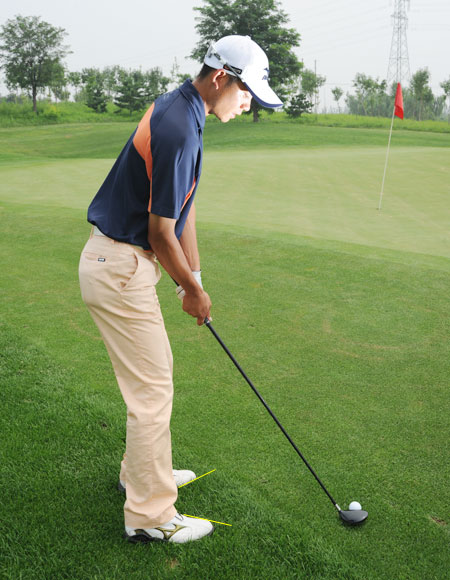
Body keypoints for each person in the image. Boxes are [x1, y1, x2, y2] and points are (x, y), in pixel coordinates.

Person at [78, 35, 282, 544]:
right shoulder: (179, 128)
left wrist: (196, 274)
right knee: (151, 390)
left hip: (118, 264)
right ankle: (149, 517)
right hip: (120, 267)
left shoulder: (183, 108)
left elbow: (182, 208)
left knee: (155, 378)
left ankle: (142, 473)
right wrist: (191, 291)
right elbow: (159, 232)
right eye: (246, 92)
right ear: (221, 77)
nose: (248, 103)